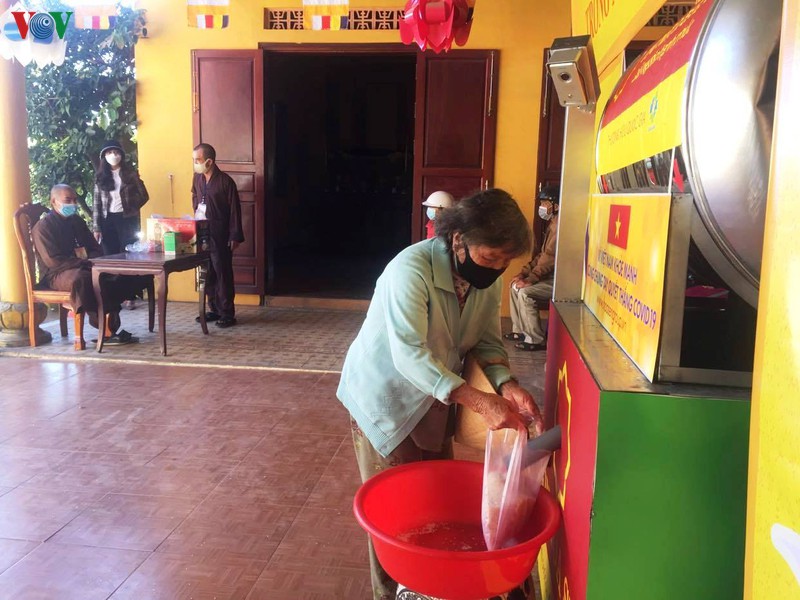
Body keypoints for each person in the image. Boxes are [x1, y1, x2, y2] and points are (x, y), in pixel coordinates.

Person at [337, 188, 544, 600]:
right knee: (393, 512)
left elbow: (487, 341)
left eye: (505, 262)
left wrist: (507, 385)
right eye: (490, 257)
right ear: (458, 239)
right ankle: (388, 593)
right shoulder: (410, 270)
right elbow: (409, 355)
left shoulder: (486, 283)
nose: (496, 269)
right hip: (385, 398)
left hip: (435, 401)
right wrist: (481, 401)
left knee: (433, 502)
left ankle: (427, 586)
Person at [33, 184, 144, 344]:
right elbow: (53, 261)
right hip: (56, 274)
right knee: (84, 279)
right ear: (54, 201)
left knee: (110, 274)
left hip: (83, 265)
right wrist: (83, 262)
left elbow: (95, 248)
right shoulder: (43, 227)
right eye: (68, 200)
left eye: (75, 200)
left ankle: (111, 325)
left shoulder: (76, 221)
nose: (73, 204)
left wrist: (89, 261)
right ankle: (102, 326)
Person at [191, 143, 244, 329]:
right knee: (207, 272)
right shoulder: (197, 179)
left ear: (209, 161)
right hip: (203, 233)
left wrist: (234, 236)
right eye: (194, 160)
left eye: (198, 160)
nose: (195, 163)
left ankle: (227, 312)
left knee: (222, 272)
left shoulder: (225, 182)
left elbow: (235, 210)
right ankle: (213, 308)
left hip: (221, 233)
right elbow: (194, 196)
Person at [92, 140, 149, 309]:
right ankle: (112, 295)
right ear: (104, 156)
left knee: (129, 255)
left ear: (121, 155)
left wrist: (131, 206)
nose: (113, 156)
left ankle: (130, 295)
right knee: (110, 255)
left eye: (116, 152)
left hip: (127, 219)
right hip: (107, 220)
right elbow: (96, 204)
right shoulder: (100, 177)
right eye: (109, 153)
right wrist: (96, 227)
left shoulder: (130, 174)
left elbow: (144, 195)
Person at [505, 186, 560, 351]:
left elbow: (550, 258)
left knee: (525, 292)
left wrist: (531, 279)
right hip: (547, 277)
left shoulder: (561, 227)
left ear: (556, 205)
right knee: (514, 286)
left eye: (545, 203)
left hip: (558, 281)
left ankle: (535, 339)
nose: (541, 207)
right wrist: (523, 273)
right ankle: (520, 331)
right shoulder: (553, 224)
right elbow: (541, 256)